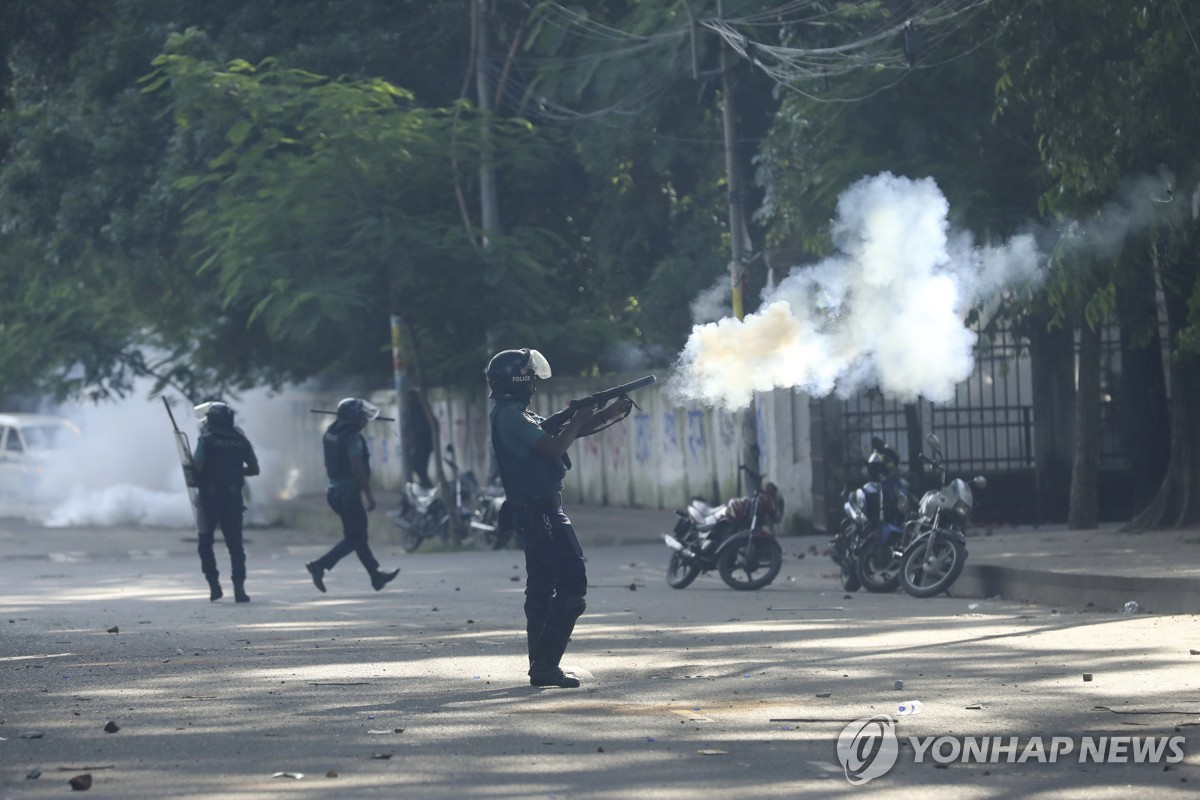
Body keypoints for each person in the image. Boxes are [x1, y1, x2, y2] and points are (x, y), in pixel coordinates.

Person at [486, 348, 634, 688]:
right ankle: (546, 665)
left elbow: (562, 435)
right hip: (541, 511)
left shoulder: (515, 413)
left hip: (535, 510)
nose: (535, 383)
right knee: (572, 585)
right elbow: (554, 447)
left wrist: (606, 414)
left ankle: (540, 664)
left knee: (540, 588)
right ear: (520, 380)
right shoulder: (510, 416)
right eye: (531, 377)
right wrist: (580, 418)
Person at [305, 397, 400, 594]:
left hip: (333, 493)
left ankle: (376, 575)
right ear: (354, 417)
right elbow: (356, 466)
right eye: (362, 415)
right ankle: (320, 565)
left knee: (357, 536)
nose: (365, 419)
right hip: (348, 494)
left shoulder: (331, 432)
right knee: (356, 537)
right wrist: (369, 493)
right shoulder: (353, 437)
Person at [192, 401, 260, 603]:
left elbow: (197, 466)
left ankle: (214, 585)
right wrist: (234, 471)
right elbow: (254, 469)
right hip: (233, 499)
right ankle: (239, 588)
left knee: (206, 543)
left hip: (209, 499)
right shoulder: (241, 441)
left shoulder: (206, 441)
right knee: (235, 545)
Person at [405, 389, 433, 488]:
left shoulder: (415, 407)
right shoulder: (417, 407)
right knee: (418, 467)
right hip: (422, 444)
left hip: (422, 444)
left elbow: (420, 426)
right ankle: (426, 486)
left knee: (419, 467)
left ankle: (428, 487)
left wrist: (413, 436)